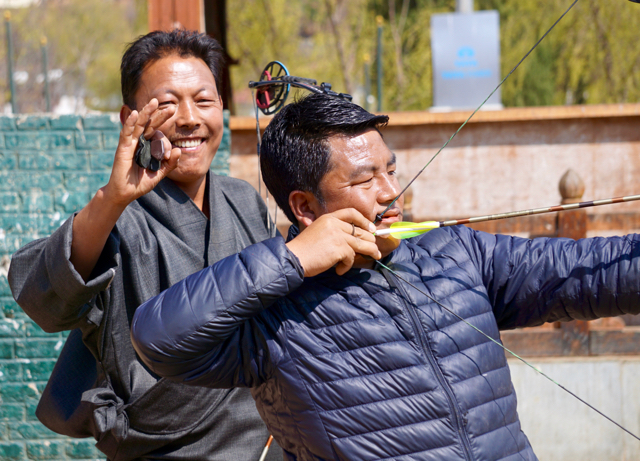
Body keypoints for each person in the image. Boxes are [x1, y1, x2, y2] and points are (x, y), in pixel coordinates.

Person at [130, 93, 640, 461]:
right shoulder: (274, 311)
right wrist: (295, 260)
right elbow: (157, 337)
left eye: (391, 170)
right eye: (365, 179)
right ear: (305, 207)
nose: (391, 192)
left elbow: (589, 273)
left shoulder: (456, 253)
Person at [8, 30, 282, 461]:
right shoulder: (113, 217)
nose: (190, 118)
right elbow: (43, 300)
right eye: (168, 105)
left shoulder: (242, 199)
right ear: (129, 117)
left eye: (204, 101)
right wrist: (111, 200)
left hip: (268, 442)